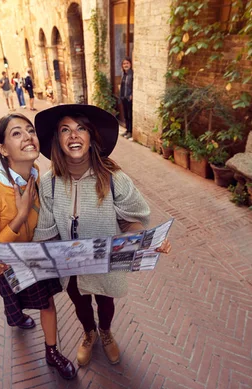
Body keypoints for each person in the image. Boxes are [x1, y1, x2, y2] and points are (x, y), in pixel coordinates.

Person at [33, 104, 171, 367]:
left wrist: (150, 241)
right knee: (81, 303)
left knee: (105, 301)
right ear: (57, 140)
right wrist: (37, 256)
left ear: (90, 137)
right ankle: (89, 332)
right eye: (65, 130)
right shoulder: (50, 183)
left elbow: (134, 218)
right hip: (70, 265)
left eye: (80, 128)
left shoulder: (112, 178)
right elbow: (46, 231)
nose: (74, 135)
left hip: (106, 261)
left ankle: (105, 332)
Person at [0, 114, 76, 380]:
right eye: (17, 133)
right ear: (3, 149)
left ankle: (51, 352)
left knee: (47, 305)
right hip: (9, 264)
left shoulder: (34, 174)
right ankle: (15, 318)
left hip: (35, 257)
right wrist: (20, 216)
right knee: (13, 303)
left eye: (30, 130)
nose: (28, 136)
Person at [119, 58, 134, 140]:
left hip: (129, 98)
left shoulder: (132, 74)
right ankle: (127, 130)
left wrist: (132, 94)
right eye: (124, 64)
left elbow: (133, 86)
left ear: (130, 64)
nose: (126, 65)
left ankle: (130, 132)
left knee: (130, 115)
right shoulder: (123, 74)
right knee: (125, 115)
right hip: (123, 97)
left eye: (127, 63)